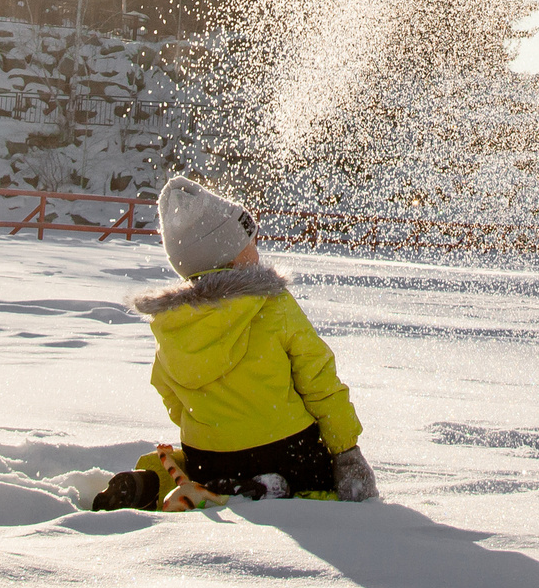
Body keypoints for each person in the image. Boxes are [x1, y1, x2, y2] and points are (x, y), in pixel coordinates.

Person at [91, 175, 377, 509]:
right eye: (249, 243)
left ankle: (156, 483)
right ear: (229, 257)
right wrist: (346, 450)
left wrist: (218, 427)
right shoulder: (272, 303)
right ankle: (272, 488)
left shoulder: (171, 321)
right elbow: (320, 381)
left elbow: (168, 392)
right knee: (322, 483)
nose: (257, 250)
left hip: (208, 457)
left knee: (192, 465)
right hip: (286, 449)